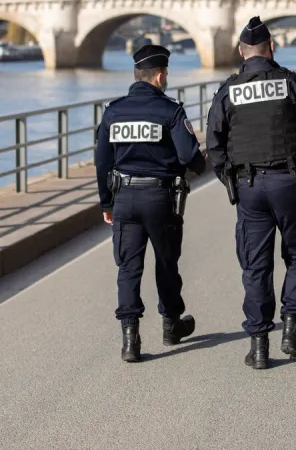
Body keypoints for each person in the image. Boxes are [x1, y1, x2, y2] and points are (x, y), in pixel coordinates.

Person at [206, 16, 296, 369]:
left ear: (241, 52)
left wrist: (230, 180)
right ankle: (292, 326)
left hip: (248, 188)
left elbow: (213, 146)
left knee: (255, 266)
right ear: (271, 48)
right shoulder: (293, 84)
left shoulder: (228, 90)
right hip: (291, 183)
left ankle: (259, 346)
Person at [95, 44, 206, 363]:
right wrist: (197, 166)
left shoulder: (113, 111)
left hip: (125, 198)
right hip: (161, 198)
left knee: (128, 267)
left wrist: (107, 203)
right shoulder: (170, 111)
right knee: (166, 263)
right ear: (159, 76)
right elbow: (189, 156)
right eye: (166, 74)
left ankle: (130, 339)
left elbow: (102, 161)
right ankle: (171, 325)